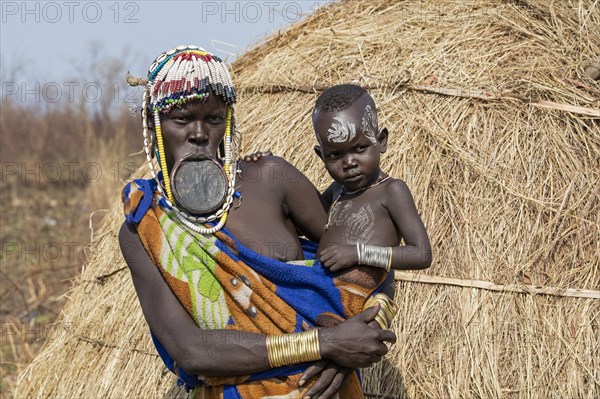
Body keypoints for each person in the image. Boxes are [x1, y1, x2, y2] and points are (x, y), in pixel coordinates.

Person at [119, 46, 396, 399]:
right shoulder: (146, 225)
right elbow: (192, 352)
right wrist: (326, 343)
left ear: (228, 122)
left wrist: (360, 336)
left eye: (214, 119)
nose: (200, 133)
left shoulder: (271, 177)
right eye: (182, 119)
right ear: (153, 125)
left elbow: (372, 264)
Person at [313, 84, 432, 328]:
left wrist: (357, 253)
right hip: (324, 302)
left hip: (367, 307)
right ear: (321, 155)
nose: (349, 163)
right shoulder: (336, 192)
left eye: (360, 148)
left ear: (381, 141)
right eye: (335, 155)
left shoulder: (392, 191)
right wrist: (268, 168)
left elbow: (421, 253)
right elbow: (301, 213)